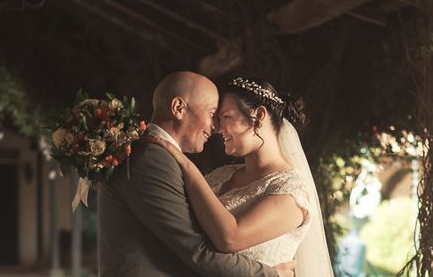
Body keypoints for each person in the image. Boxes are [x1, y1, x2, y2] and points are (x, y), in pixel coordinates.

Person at [98, 71, 294, 277]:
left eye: (224, 117)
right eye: (213, 114)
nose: (216, 127)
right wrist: (272, 274)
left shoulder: (156, 155)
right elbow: (197, 249)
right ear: (179, 108)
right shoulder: (152, 158)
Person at [148, 77, 334, 276]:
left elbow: (231, 238)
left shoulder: (292, 192)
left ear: (259, 115)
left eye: (226, 117)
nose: (218, 128)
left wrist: (185, 164)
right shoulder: (222, 175)